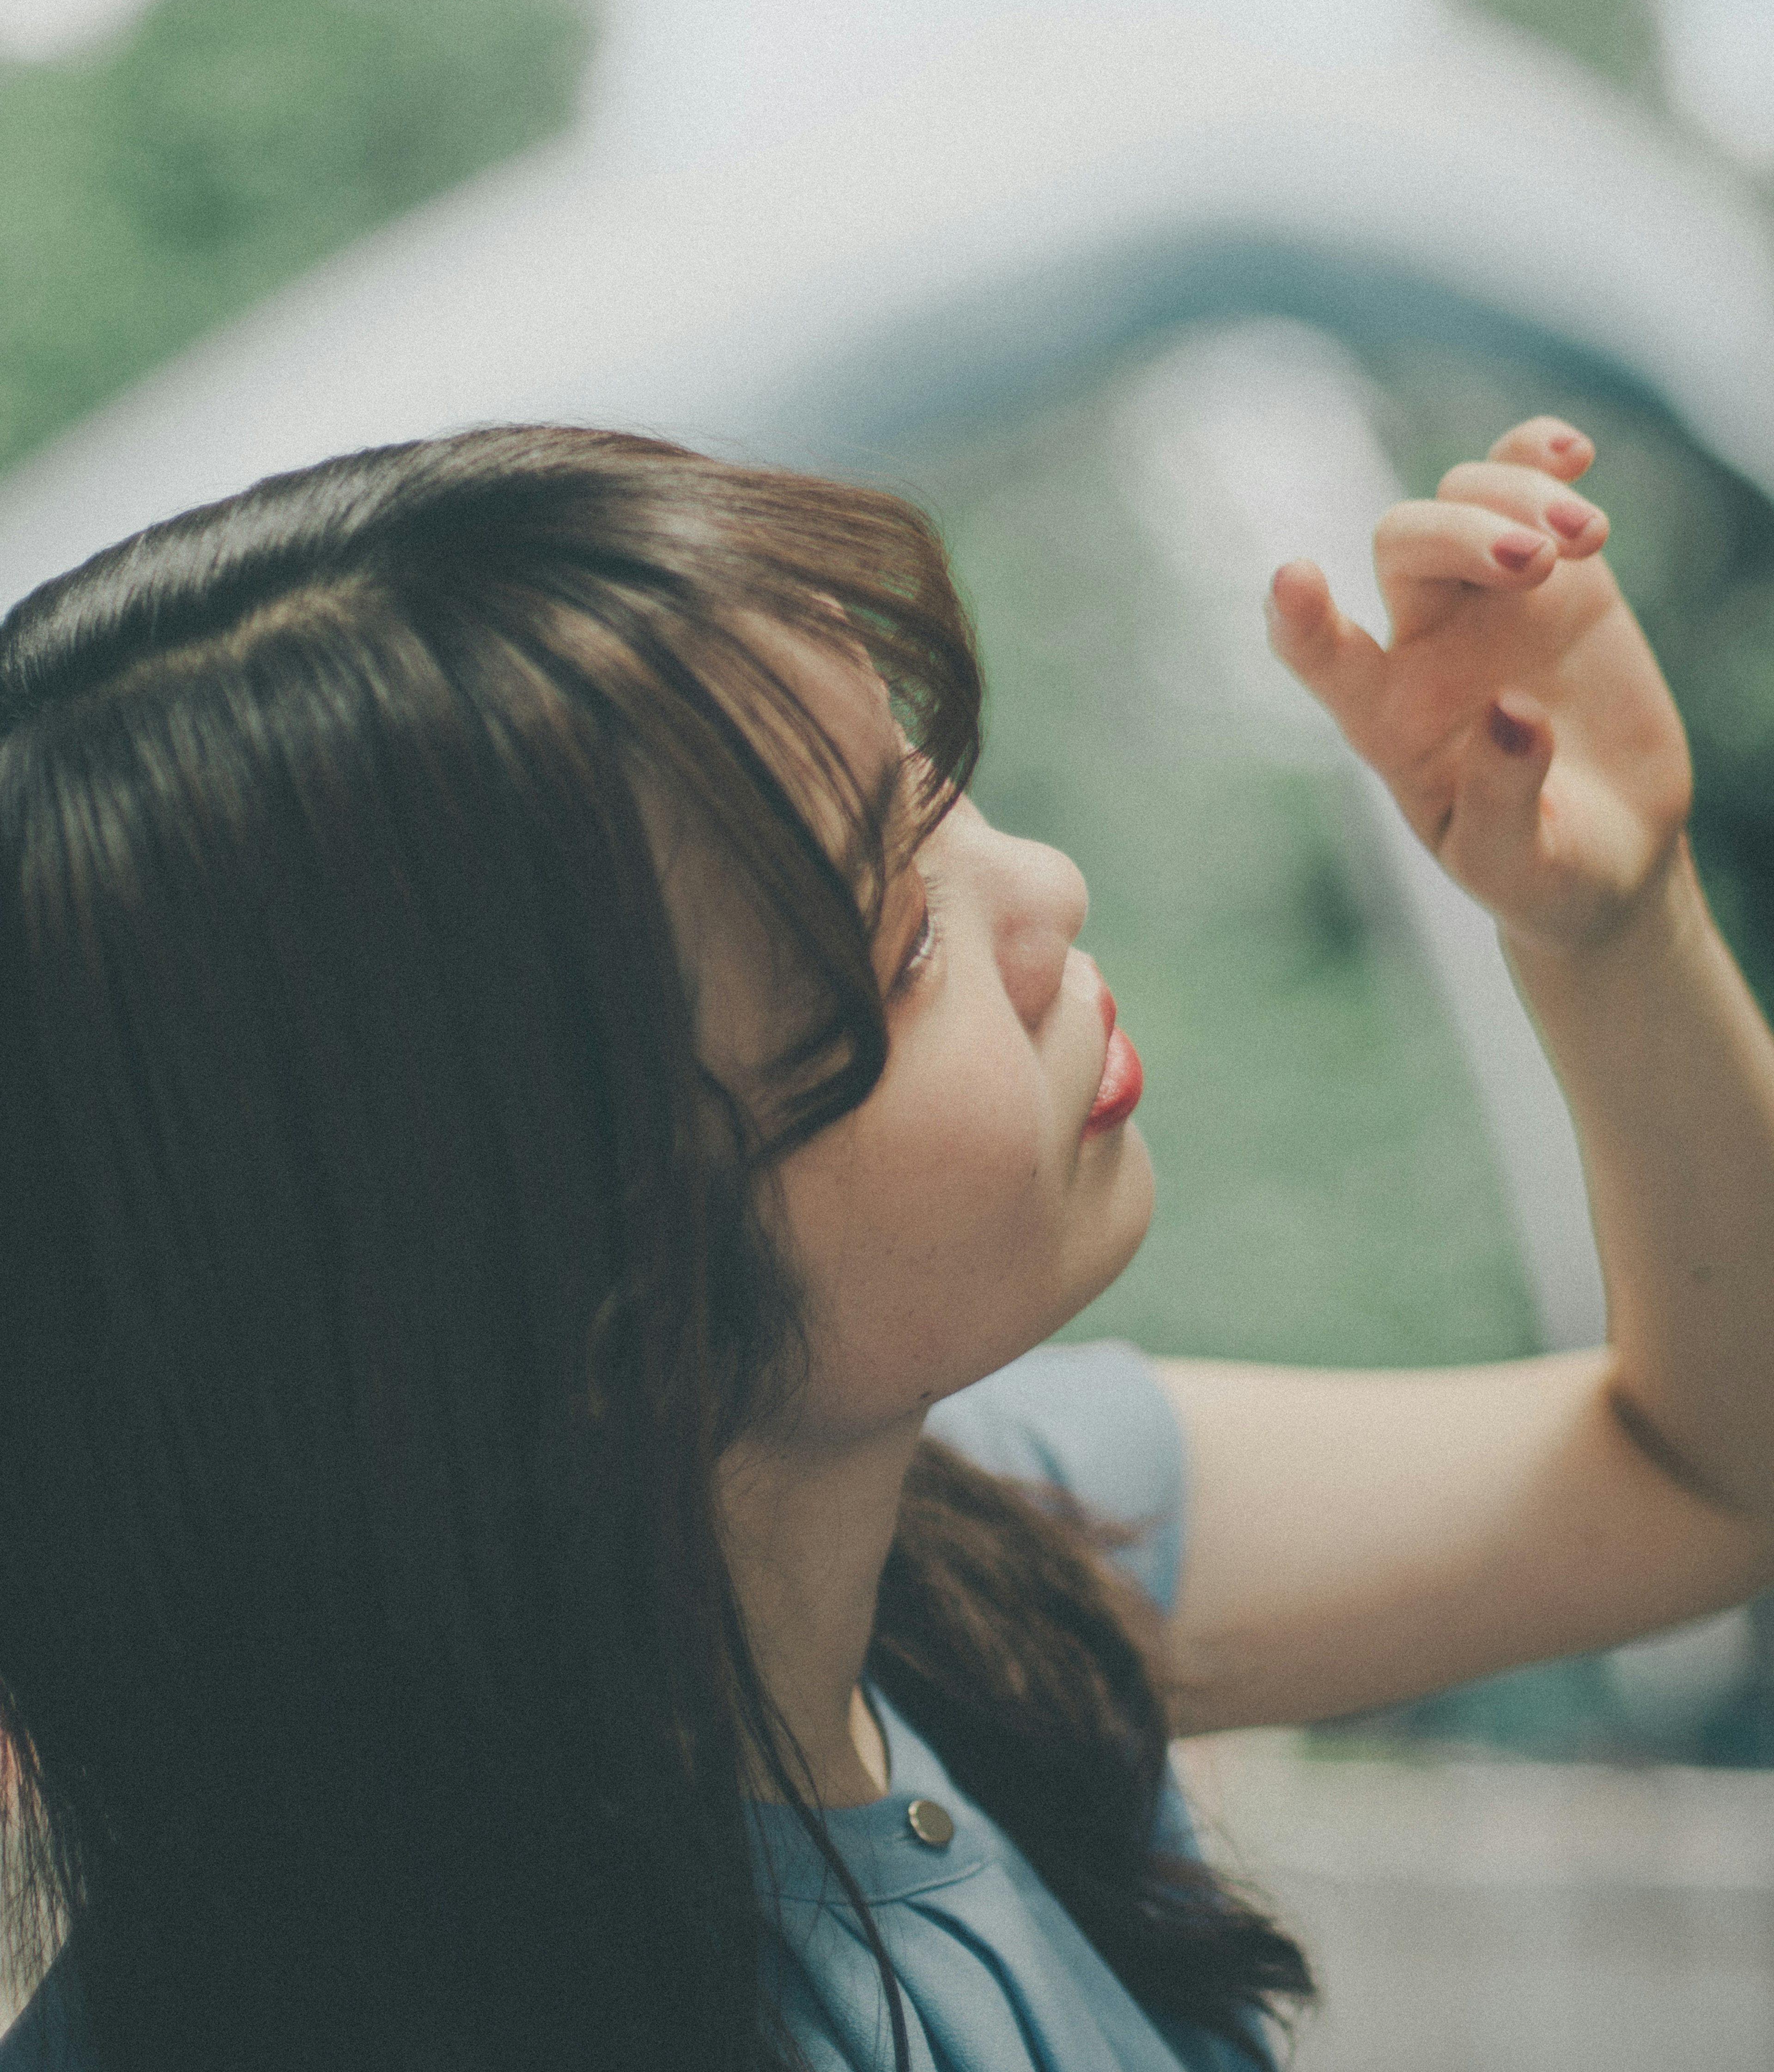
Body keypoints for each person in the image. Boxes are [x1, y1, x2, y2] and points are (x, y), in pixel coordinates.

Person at [0, 413, 1770, 2072]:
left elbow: (1710, 1469)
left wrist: (1607, 922)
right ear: (576, 1293)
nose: (1049, 892)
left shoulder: (962, 1557)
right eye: (898, 939)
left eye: (937, 793)